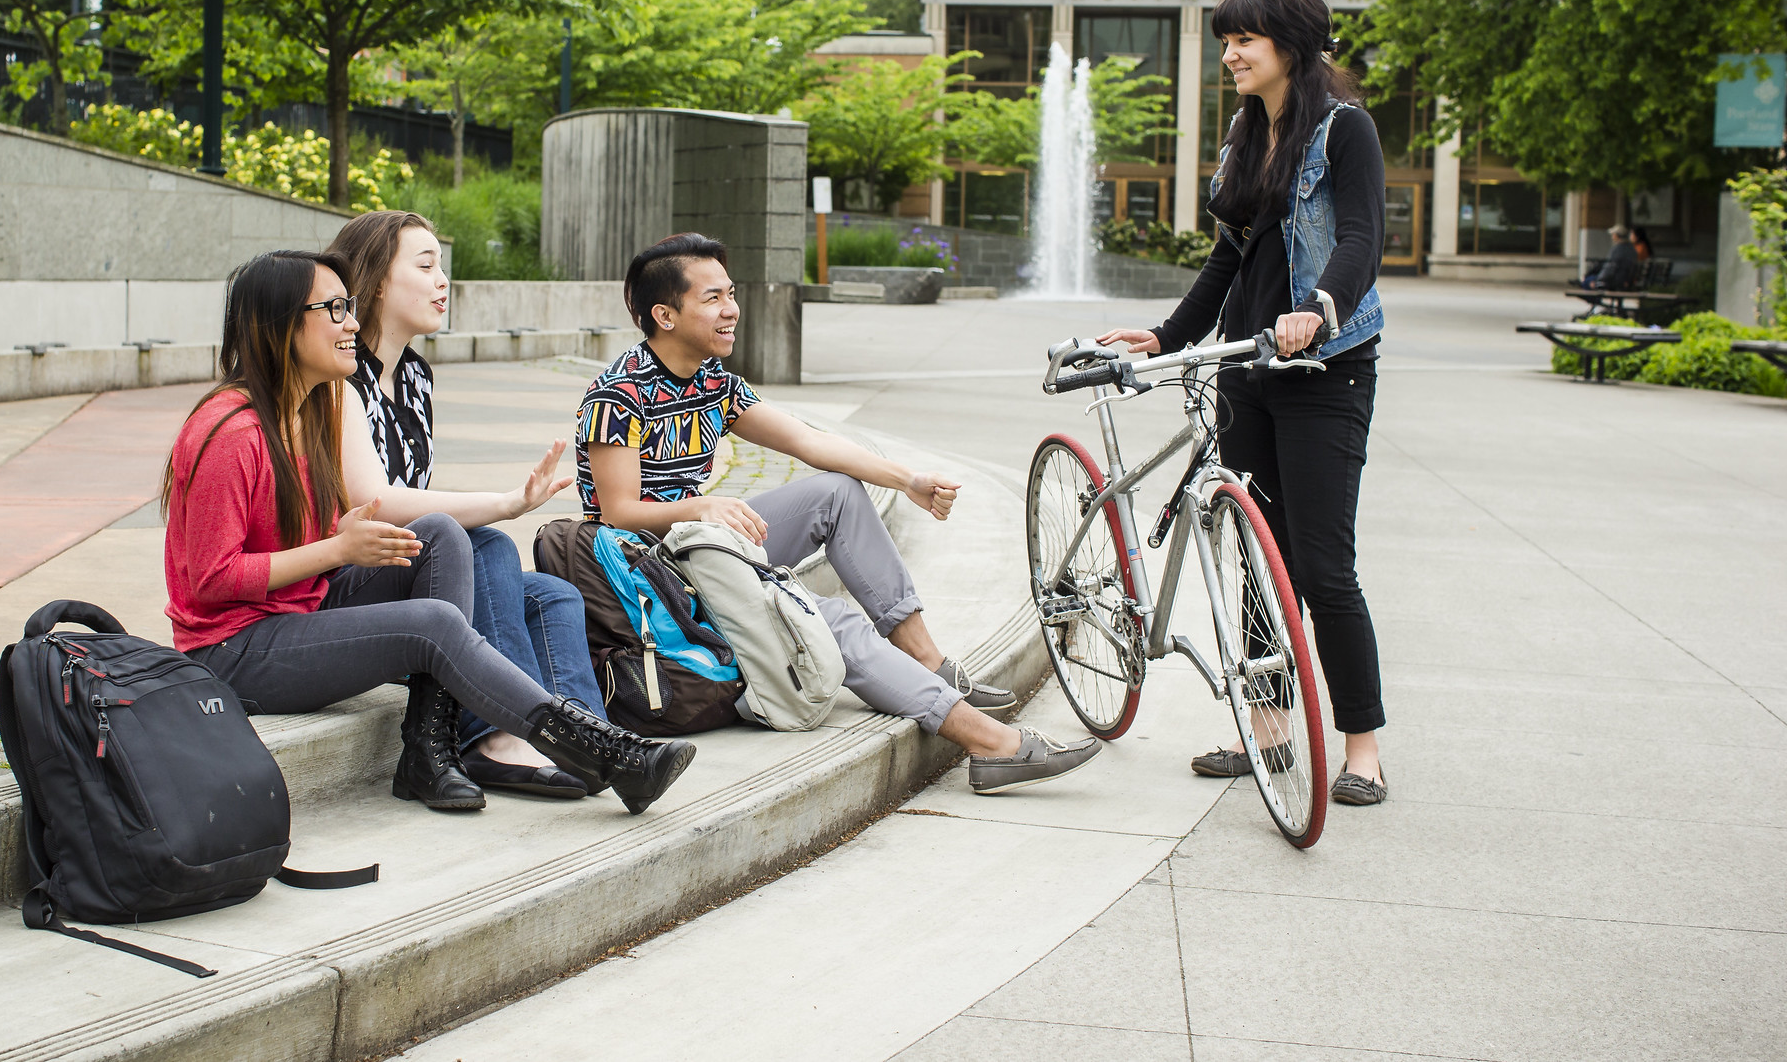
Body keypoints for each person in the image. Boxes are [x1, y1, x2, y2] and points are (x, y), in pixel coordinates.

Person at [161, 249, 694, 816]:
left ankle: (428, 743)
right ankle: (602, 751)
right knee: (434, 622)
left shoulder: (316, 410)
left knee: (441, 534)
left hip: (303, 607)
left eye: (350, 306)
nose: (350, 323)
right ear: (280, 325)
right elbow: (212, 582)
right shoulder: (228, 432)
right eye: (335, 309)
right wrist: (337, 549)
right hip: (234, 649)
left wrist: (337, 544)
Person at [577, 232, 1102, 795]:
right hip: (651, 576)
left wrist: (909, 480)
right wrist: (705, 506)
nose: (731, 309)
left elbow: (808, 441)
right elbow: (617, 515)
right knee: (833, 623)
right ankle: (993, 745)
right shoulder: (618, 396)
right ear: (665, 314)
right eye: (712, 298)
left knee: (837, 492)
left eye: (731, 293)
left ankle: (927, 661)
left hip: (708, 545)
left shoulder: (712, 382)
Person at [1096, 0, 1390, 807]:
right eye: (1225, 41)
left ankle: (1361, 746)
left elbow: (1362, 239)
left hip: (1325, 370)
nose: (1230, 53)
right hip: (1247, 371)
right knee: (1257, 561)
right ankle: (1265, 731)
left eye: (1244, 40)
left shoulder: (1345, 130)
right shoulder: (1244, 132)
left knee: (1325, 567)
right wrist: (1167, 336)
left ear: (1289, 45)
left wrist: (1317, 310)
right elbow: (1230, 258)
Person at [329, 209, 605, 803]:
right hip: (347, 579)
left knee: (553, 594)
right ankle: (495, 737)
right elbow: (376, 503)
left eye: (442, 266)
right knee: (487, 546)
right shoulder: (339, 378)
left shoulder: (415, 378)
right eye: (425, 266)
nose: (442, 281)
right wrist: (506, 503)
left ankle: (580, 737)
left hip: (410, 568)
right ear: (376, 281)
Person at [1587, 224, 1638, 289]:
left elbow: (1610, 267)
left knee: (1587, 281)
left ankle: (1597, 299)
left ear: (1616, 236)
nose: (1612, 236)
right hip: (1625, 280)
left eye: (1613, 234)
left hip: (1614, 280)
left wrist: (1599, 279)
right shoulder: (1631, 249)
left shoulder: (1617, 249)